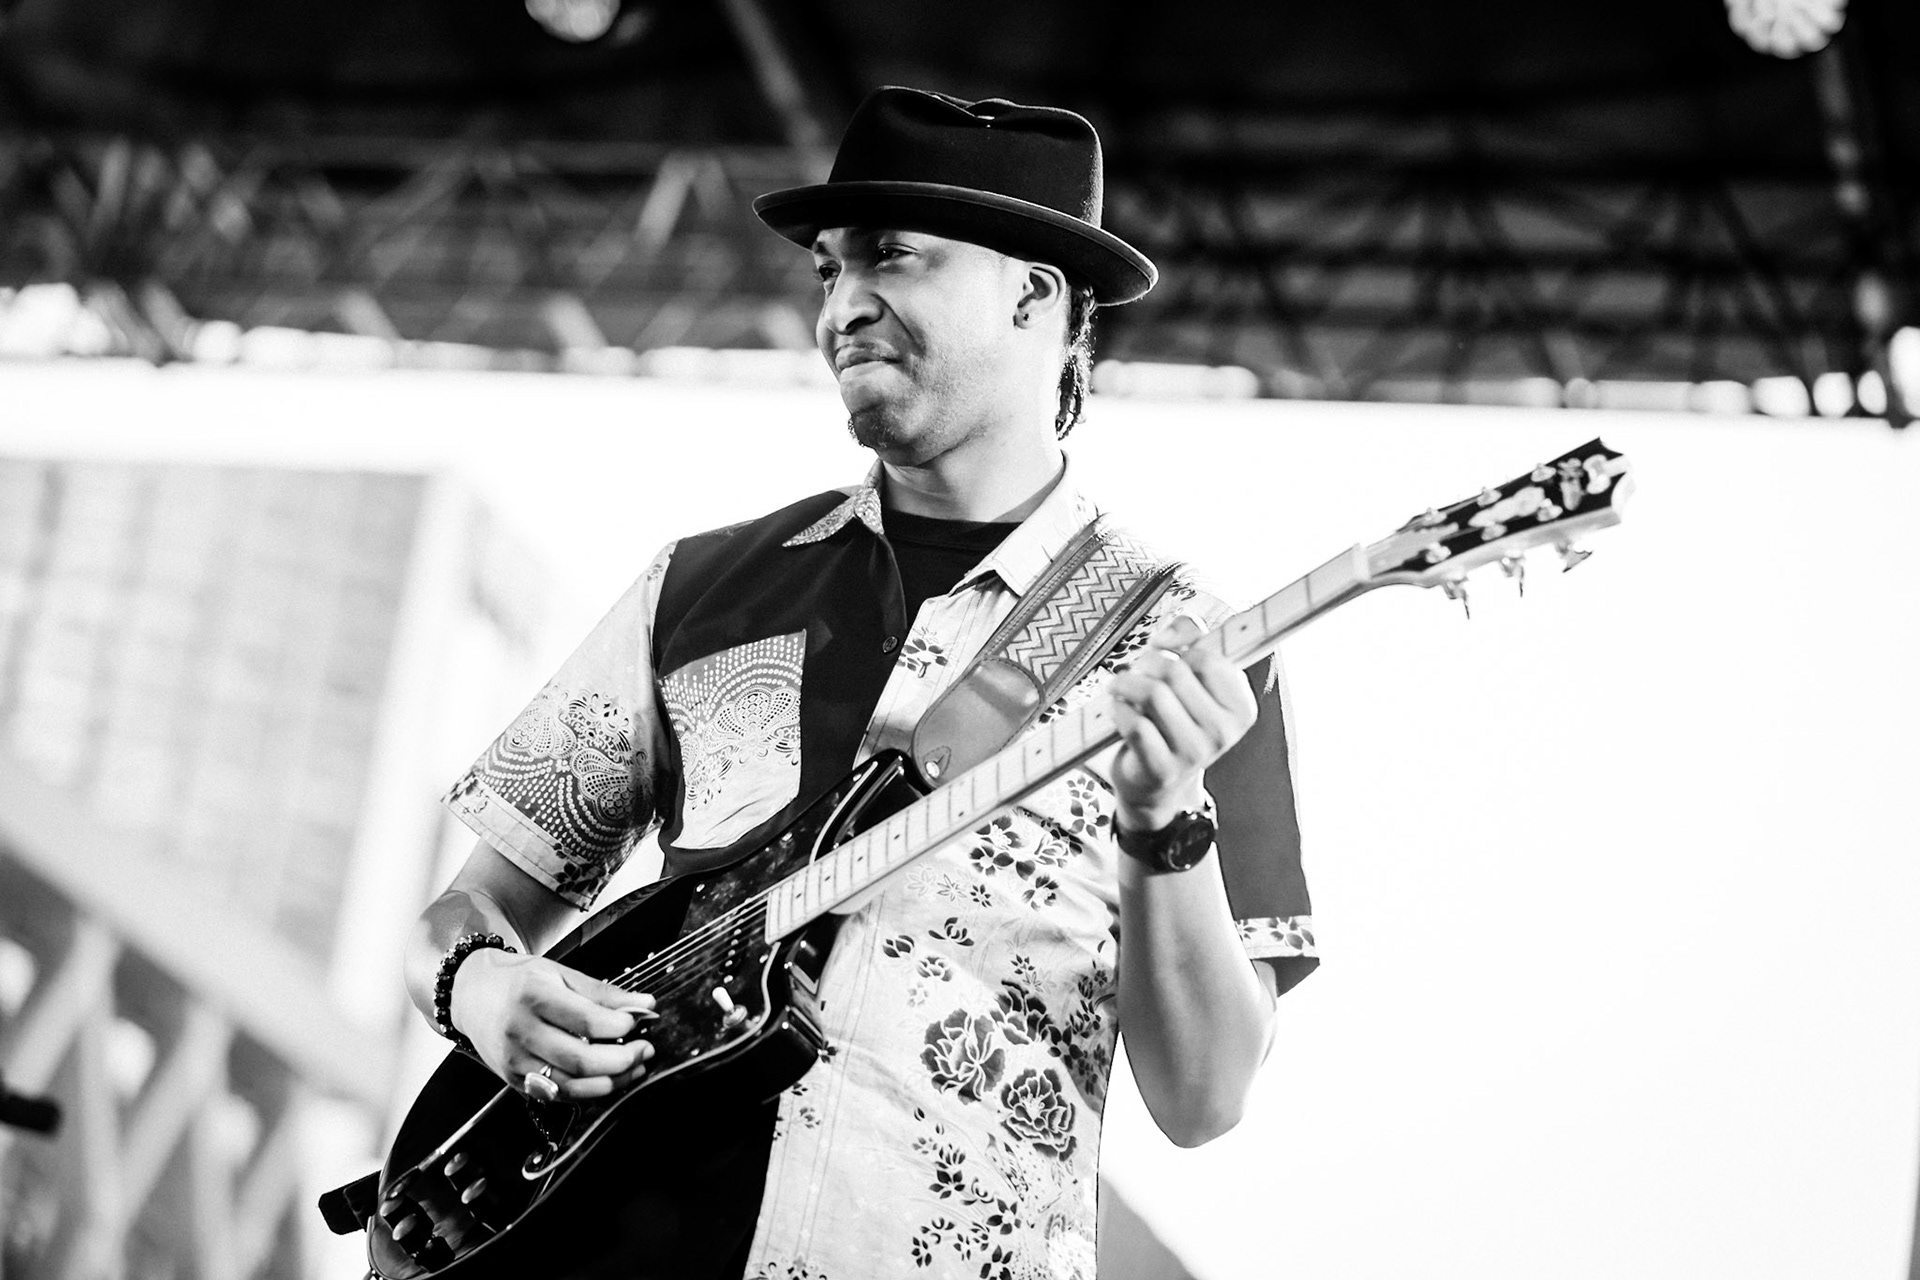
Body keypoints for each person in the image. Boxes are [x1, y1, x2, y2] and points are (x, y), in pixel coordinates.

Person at [403, 86, 1316, 1280]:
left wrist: (1162, 821)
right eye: (829, 269)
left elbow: (1204, 1095)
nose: (844, 305)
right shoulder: (698, 584)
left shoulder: (1193, 643)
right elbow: (462, 911)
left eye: (892, 257)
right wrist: (478, 990)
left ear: (1035, 294)